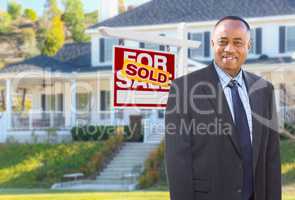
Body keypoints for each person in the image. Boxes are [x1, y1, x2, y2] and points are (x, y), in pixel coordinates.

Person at [165, 16, 281, 200]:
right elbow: (178, 162)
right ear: (212, 43)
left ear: (248, 46)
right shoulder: (183, 89)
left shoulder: (264, 90)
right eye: (223, 42)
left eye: (238, 42)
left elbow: (271, 158)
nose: (229, 49)